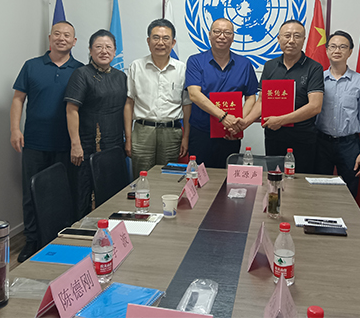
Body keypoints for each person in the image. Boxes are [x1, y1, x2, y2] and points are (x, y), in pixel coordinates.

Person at [10, 20, 83, 262]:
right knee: (31, 193)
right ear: (50, 38)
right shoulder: (31, 66)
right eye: (57, 34)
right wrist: (15, 129)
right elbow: (18, 99)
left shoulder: (80, 70)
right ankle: (32, 240)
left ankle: (59, 239)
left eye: (67, 35)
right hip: (34, 142)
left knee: (64, 193)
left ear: (74, 41)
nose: (62, 38)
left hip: (67, 144)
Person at [241, 20, 324, 173]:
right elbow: (262, 101)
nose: (291, 40)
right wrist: (245, 122)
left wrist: (281, 120)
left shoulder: (314, 68)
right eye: (287, 36)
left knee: (299, 182)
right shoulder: (270, 66)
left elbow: (315, 106)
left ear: (304, 40)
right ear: (279, 39)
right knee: (274, 179)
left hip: (303, 138)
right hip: (274, 137)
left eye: (297, 36)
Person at [64, 29, 127, 219]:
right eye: (98, 47)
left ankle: (112, 232)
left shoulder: (121, 77)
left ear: (115, 51)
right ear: (90, 50)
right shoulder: (81, 74)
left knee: (113, 193)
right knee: (86, 194)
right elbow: (71, 110)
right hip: (88, 146)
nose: (104, 51)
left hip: (114, 145)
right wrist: (76, 144)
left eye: (108, 47)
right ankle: (85, 234)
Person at [185, 18, 258, 168]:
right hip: (201, 133)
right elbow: (194, 94)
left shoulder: (244, 64)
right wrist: (223, 116)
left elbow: (251, 96)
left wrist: (239, 122)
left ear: (233, 37)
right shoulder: (195, 61)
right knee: (199, 177)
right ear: (210, 35)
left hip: (231, 133)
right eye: (217, 32)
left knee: (228, 177)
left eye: (227, 33)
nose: (222, 36)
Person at [124, 19, 192, 178]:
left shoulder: (181, 69)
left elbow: (187, 105)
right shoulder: (136, 66)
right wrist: (128, 138)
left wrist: (186, 137)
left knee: (167, 179)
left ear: (173, 42)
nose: (160, 42)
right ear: (148, 41)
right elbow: (129, 103)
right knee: (142, 178)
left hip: (172, 132)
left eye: (166, 38)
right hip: (142, 132)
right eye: (156, 38)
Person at [314, 30, 360, 197]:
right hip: (321, 143)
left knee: (349, 193)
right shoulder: (318, 79)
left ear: (350, 51)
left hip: (349, 145)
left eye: (342, 47)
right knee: (318, 191)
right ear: (327, 50)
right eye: (333, 46)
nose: (337, 50)